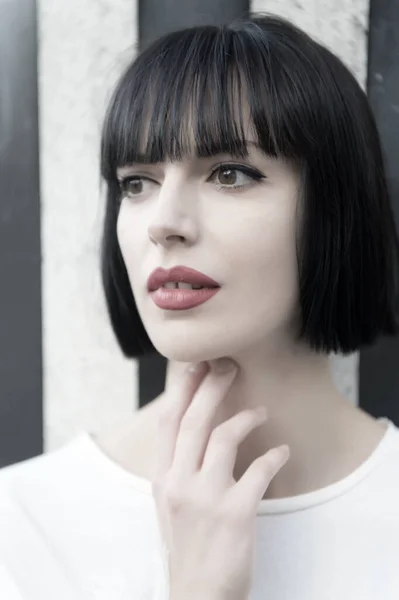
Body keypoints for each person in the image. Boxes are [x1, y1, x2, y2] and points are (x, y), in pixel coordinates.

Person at [1, 11, 399, 600]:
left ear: (333, 208)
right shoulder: (21, 525)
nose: (163, 223)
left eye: (230, 174)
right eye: (136, 182)